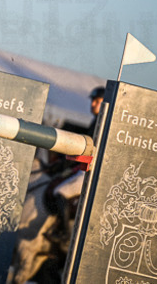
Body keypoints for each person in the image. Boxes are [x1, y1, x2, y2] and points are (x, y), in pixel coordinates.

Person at [48, 86, 105, 241]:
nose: (93, 104)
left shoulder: (103, 123)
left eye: (97, 101)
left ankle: (65, 232)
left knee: (60, 192)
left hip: (90, 171)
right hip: (83, 169)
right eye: (93, 101)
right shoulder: (96, 121)